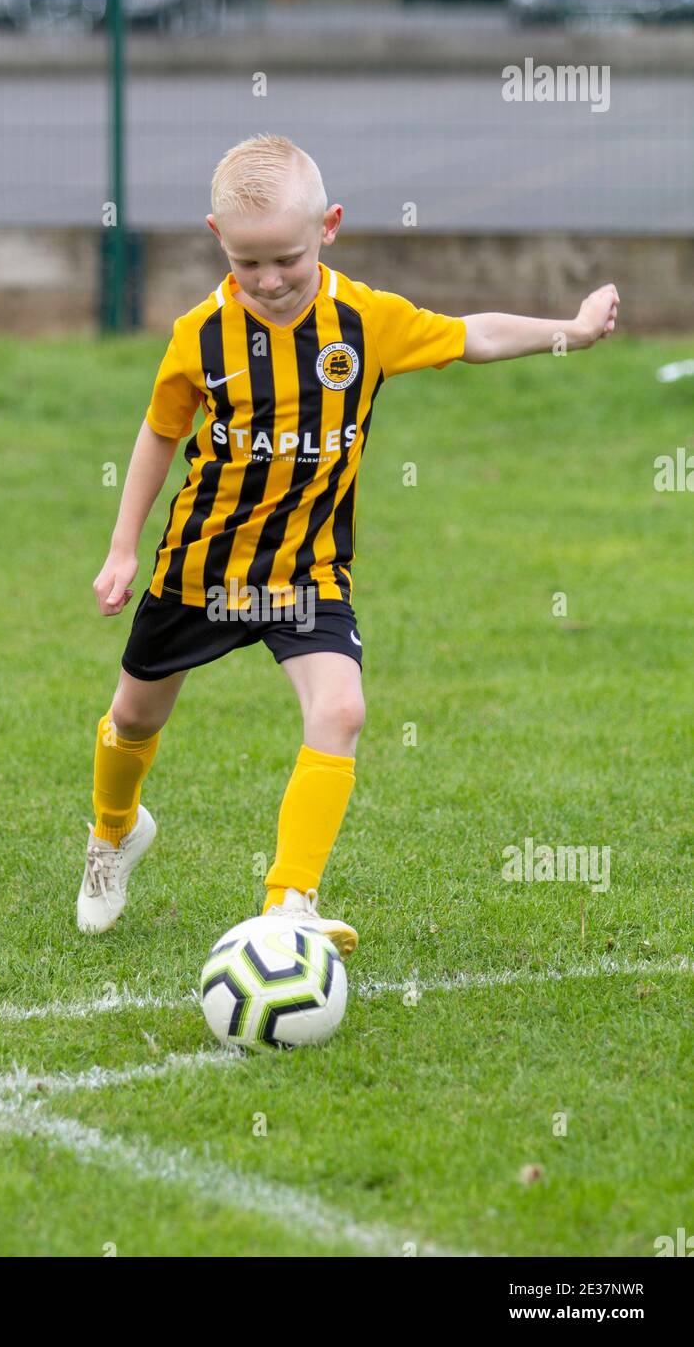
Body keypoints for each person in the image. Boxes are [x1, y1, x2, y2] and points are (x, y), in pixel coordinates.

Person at [78, 132, 619, 953]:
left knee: (341, 709)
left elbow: (472, 334)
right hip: (204, 569)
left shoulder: (366, 322)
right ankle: (113, 835)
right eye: (247, 262)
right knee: (133, 718)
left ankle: (289, 901)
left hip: (308, 572)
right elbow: (159, 435)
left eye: (286, 260)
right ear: (216, 237)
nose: (266, 282)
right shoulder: (199, 336)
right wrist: (123, 550)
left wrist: (570, 332)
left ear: (329, 227)